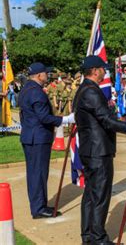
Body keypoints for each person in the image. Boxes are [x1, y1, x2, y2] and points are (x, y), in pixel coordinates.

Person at [74, 55, 126, 245]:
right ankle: (98, 237)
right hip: (98, 151)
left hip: (91, 150)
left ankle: (88, 236)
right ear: (95, 70)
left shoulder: (84, 89)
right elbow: (107, 120)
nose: (105, 72)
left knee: (90, 194)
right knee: (99, 196)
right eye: (103, 69)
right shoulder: (91, 91)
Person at [18, 62, 75, 219]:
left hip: (31, 136)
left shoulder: (26, 89)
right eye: (45, 73)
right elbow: (44, 117)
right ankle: (38, 208)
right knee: (39, 174)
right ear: (38, 75)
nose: (47, 76)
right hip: (38, 138)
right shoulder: (36, 92)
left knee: (35, 173)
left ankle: (39, 204)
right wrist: (66, 119)